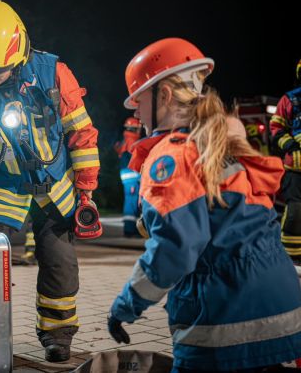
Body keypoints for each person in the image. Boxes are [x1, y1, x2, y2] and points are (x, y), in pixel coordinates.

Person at [107, 38, 301, 371]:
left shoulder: (172, 156)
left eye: (139, 100)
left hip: (224, 321)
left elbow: (174, 251)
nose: (135, 112)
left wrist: (125, 306)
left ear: (164, 95)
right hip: (285, 312)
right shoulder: (220, 143)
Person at [0, 0, 99, 362]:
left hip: (54, 189)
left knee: (60, 264)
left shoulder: (53, 74)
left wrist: (86, 191)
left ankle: (57, 335)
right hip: (2, 188)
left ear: (17, 52)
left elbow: (82, 135)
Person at [269, 59, 301, 265]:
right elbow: (276, 127)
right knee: (296, 213)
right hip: (296, 168)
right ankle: (291, 257)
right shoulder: (291, 99)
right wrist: (290, 145)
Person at [114, 117, 143, 237]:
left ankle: (132, 228)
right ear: (135, 129)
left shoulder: (124, 139)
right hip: (132, 175)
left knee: (132, 200)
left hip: (127, 175)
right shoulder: (132, 140)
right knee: (131, 201)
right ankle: (130, 229)